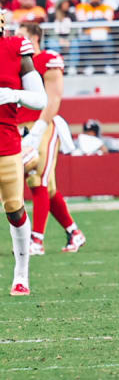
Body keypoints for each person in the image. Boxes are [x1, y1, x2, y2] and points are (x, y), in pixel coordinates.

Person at [15, 23, 85, 255]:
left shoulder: (47, 59)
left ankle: (36, 241)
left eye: (22, 34)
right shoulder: (14, 61)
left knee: (38, 182)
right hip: (17, 128)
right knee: (48, 188)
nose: (16, 38)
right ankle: (74, 232)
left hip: (41, 125)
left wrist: (37, 132)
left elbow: (54, 99)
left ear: (35, 37)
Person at [0, 25, 46, 296]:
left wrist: (15, 95)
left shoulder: (16, 48)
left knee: (15, 209)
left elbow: (41, 99)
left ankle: (21, 274)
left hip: (6, 144)